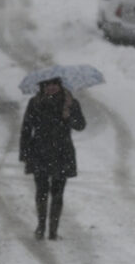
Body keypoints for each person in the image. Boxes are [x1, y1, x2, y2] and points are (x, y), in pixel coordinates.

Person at [19, 77, 86, 240]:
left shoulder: (70, 102)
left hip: (62, 153)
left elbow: (81, 126)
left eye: (54, 84)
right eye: (47, 85)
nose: (51, 88)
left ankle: (53, 230)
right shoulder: (35, 103)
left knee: (58, 193)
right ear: (42, 87)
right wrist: (25, 153)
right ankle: (41, 226)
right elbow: (27, 128)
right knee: (41, 192)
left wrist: (69, 115)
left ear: (59, 85)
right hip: (40, 152)